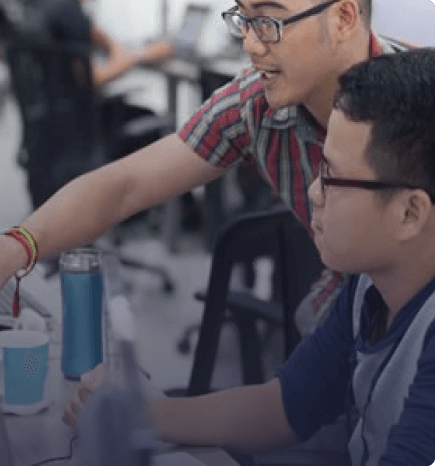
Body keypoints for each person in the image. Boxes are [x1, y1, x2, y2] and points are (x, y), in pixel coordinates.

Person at [64, 48, 435, 465]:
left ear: (410, 213)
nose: (313, 192)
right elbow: (284, 406)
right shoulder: (371, 285)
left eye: (331, 176)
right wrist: (141, 414)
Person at [0, 0, 412, 320]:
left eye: (269, 21)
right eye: (243, 20)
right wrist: (9, 251)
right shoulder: (254, 103)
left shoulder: (420, 114)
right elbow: (124, 185)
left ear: (345, 16)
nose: (248, 43)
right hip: (347, 319)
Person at [44, 0, 174, 88]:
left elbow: (105, 41)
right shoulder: (68, 14)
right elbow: (93, 79)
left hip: (49, 117)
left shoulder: (43, 8)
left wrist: (124, 52)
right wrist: (142, 55)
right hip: (81, 119)